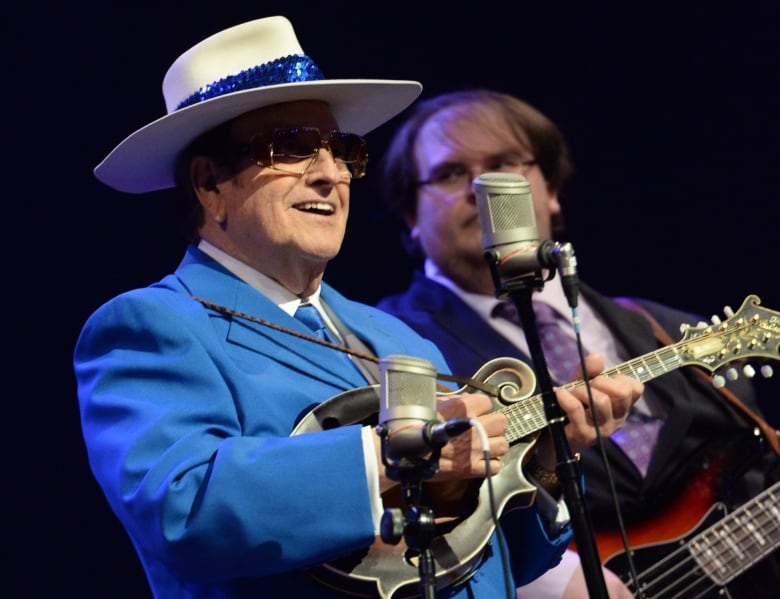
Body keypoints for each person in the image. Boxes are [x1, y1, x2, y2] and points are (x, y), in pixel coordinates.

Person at [73, 18, 643, 599]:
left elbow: (490, 560)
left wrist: (544, 462)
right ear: (209, 184)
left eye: (341, 150)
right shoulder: (153, 325)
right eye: (292, 148)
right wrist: (388, 460)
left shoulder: (397, 337)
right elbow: (182, 508)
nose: (330, 174)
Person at [375, 88, 780, 598]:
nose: (481, 188)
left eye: (504, 164)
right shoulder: (391, 350)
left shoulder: (667, 326)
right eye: (451, 173)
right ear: (411, 215)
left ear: (550, 192)